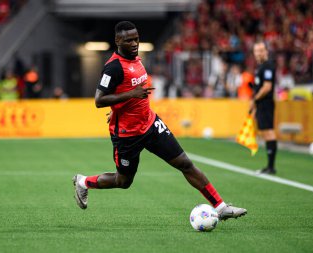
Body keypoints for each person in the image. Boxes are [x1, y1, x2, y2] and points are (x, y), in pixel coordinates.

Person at [72, 21, 247, 221]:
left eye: (136, 39)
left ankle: (221, 207)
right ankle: (83, 182)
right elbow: (99, 100)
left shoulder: (136, 58)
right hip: (127, 135)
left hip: (151, 124)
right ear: (118, 41)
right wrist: (131, 95)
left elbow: (123, 95)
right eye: (129, 40)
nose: (134, 43)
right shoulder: (113, 68)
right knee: (123, 181)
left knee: (185, 163)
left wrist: (120, 105)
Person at [249, 41, 277, 175]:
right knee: (266, 132)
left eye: (261, 50)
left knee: (268, 132)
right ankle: (269, 166)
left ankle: (271, 167)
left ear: (266, 51)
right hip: (261, 104)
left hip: (266, 103)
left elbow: (267, 87)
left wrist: (255, 99)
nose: (258, 53)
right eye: (256, 51)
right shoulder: (261, 67)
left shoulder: (268, 66)